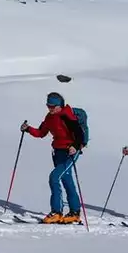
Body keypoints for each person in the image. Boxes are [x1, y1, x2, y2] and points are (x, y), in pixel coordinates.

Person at [21, 92, 84, 224]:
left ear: (59, 106)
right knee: (66, 180)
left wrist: (75, 146)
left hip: (70, 152)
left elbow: (79, 134)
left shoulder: (67, 115)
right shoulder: (50, 117)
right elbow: (41, 132)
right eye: (48, 105)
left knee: (54, 177)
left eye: (52, 106)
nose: (49, 108)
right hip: (58, 151)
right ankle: (74, 212)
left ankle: (56, 211)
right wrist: (28, 129)